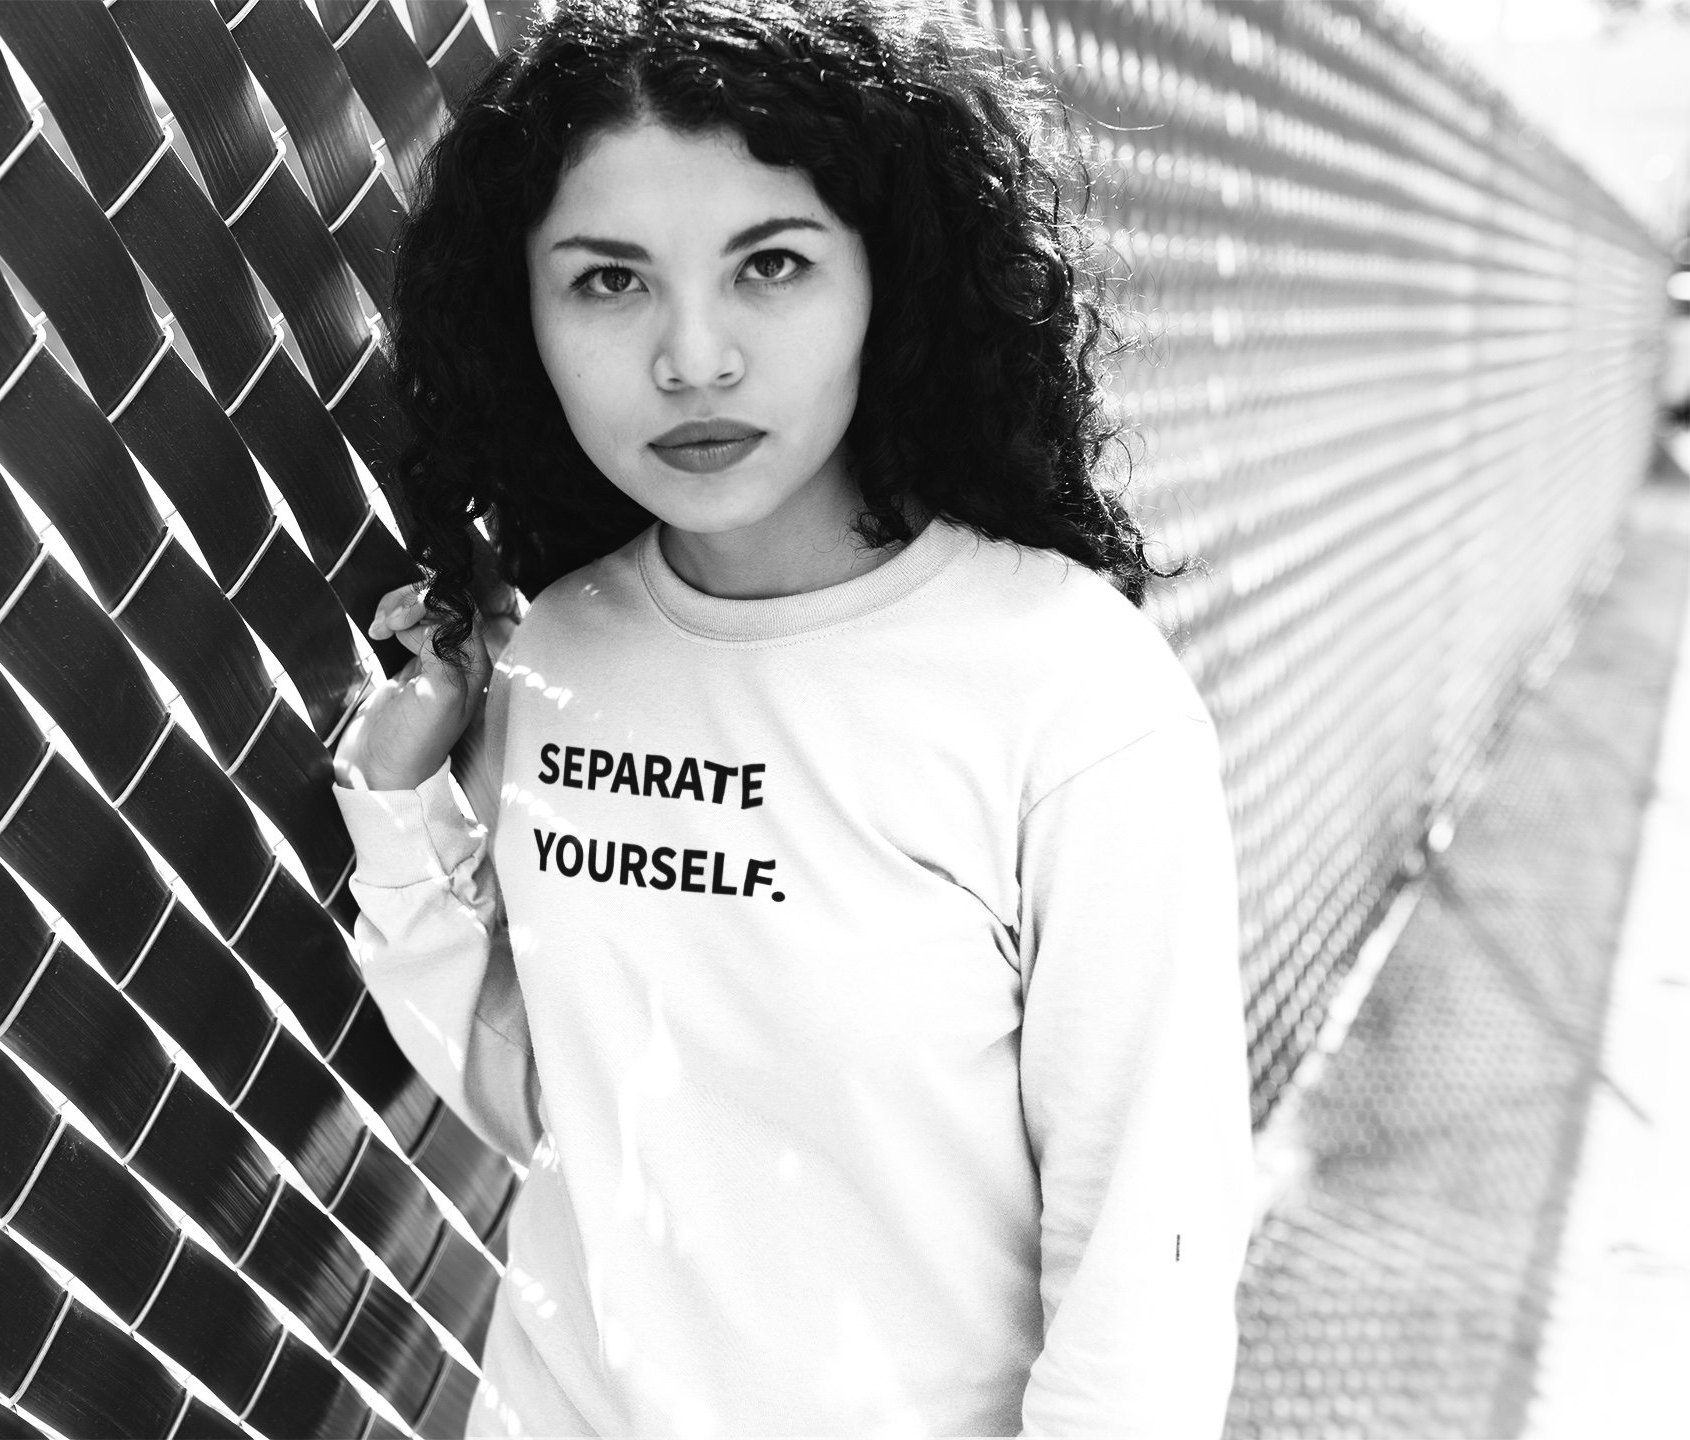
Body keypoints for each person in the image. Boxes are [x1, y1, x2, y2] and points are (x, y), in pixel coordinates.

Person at [332, 2, 1254, 1434]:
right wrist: (403, 820)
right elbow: (550, 1111)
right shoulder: (560, 651)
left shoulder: (1066, 687)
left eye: (770, 265)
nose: (693, 357)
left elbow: (1149, 1256)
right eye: (609, 281)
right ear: (525, 318)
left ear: (890, 280)